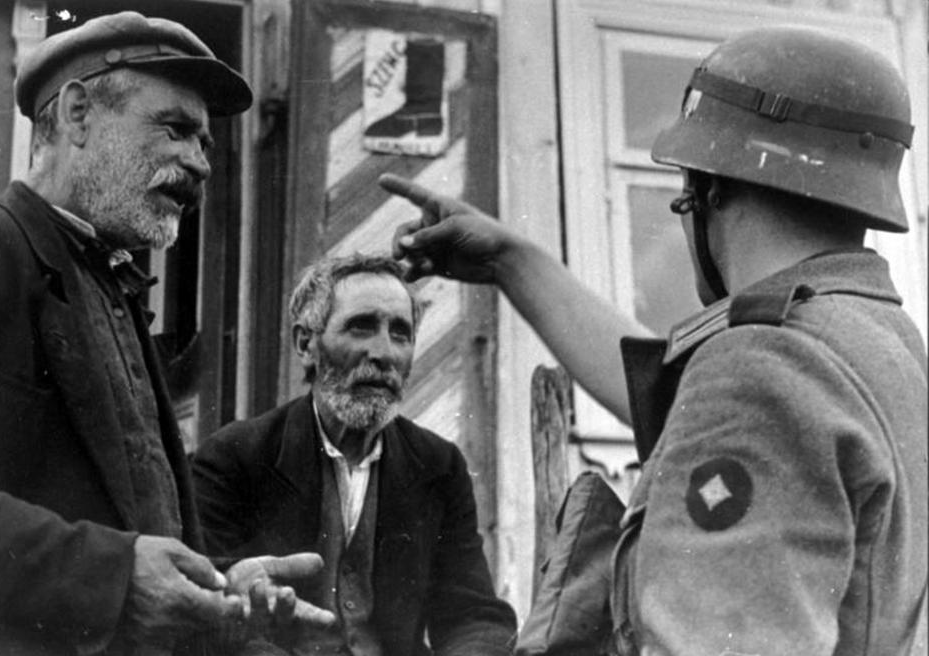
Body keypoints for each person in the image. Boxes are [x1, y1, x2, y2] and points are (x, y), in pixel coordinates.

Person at [378, 25, 928, 656]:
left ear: (708, 189)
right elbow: (672, 397)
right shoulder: (878, 347)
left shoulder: (759, 371)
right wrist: (508, 258)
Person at [0, 12, 334, 656]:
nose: (198, 163)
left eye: (207, 147)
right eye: (176, 130)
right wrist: (112, 579)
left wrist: (217, 591)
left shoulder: (119, 290)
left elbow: (133, 534)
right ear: (79, 113)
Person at [191, 253, 517, 656]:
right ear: (306, 344)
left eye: (401, 333)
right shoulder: (232, 458)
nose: (384, 353)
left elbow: (472, 614)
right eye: (361, 327)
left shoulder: (439, 466)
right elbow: (211, 618)